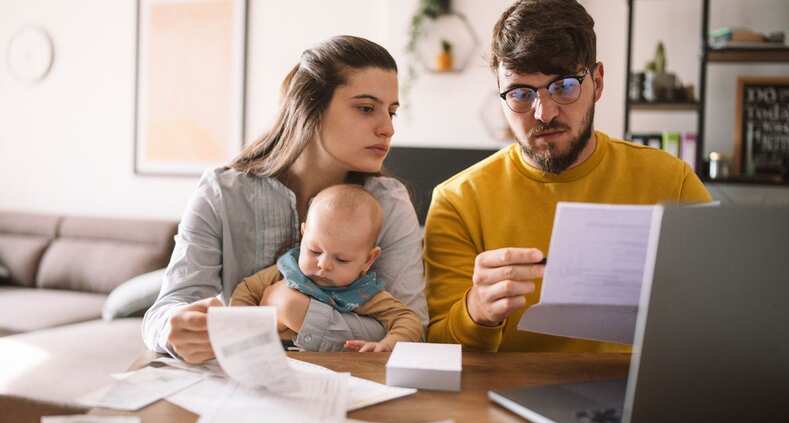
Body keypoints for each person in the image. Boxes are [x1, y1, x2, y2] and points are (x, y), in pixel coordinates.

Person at [424, 0, 712, 352]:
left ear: (598, 82)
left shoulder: (671, 182)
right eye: (520, 94)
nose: (544, 113)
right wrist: (476, 312)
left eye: (562, 86)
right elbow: (435, 348)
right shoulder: (457, 201)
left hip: (637, 395)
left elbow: (721, 311)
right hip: (502, 399)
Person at [142, 35, 428, 363]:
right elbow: (164, 311)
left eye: (391, 112)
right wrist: (173, 330)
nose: (387, 128)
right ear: (310, 107)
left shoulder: (389, 203)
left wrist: (297, 311)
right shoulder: (221, 193)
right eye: (366, 108)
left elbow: (412, 328)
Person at [229, 184, 424, 352]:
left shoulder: (363, 293)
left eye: (342, 259)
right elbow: (246, 290)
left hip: (333, 367)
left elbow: (408, 320)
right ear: (303, 234)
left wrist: (389, 344)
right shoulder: (287, 269)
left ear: (368, 260)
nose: (324, 265)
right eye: (314, 251)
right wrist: (240, 330)